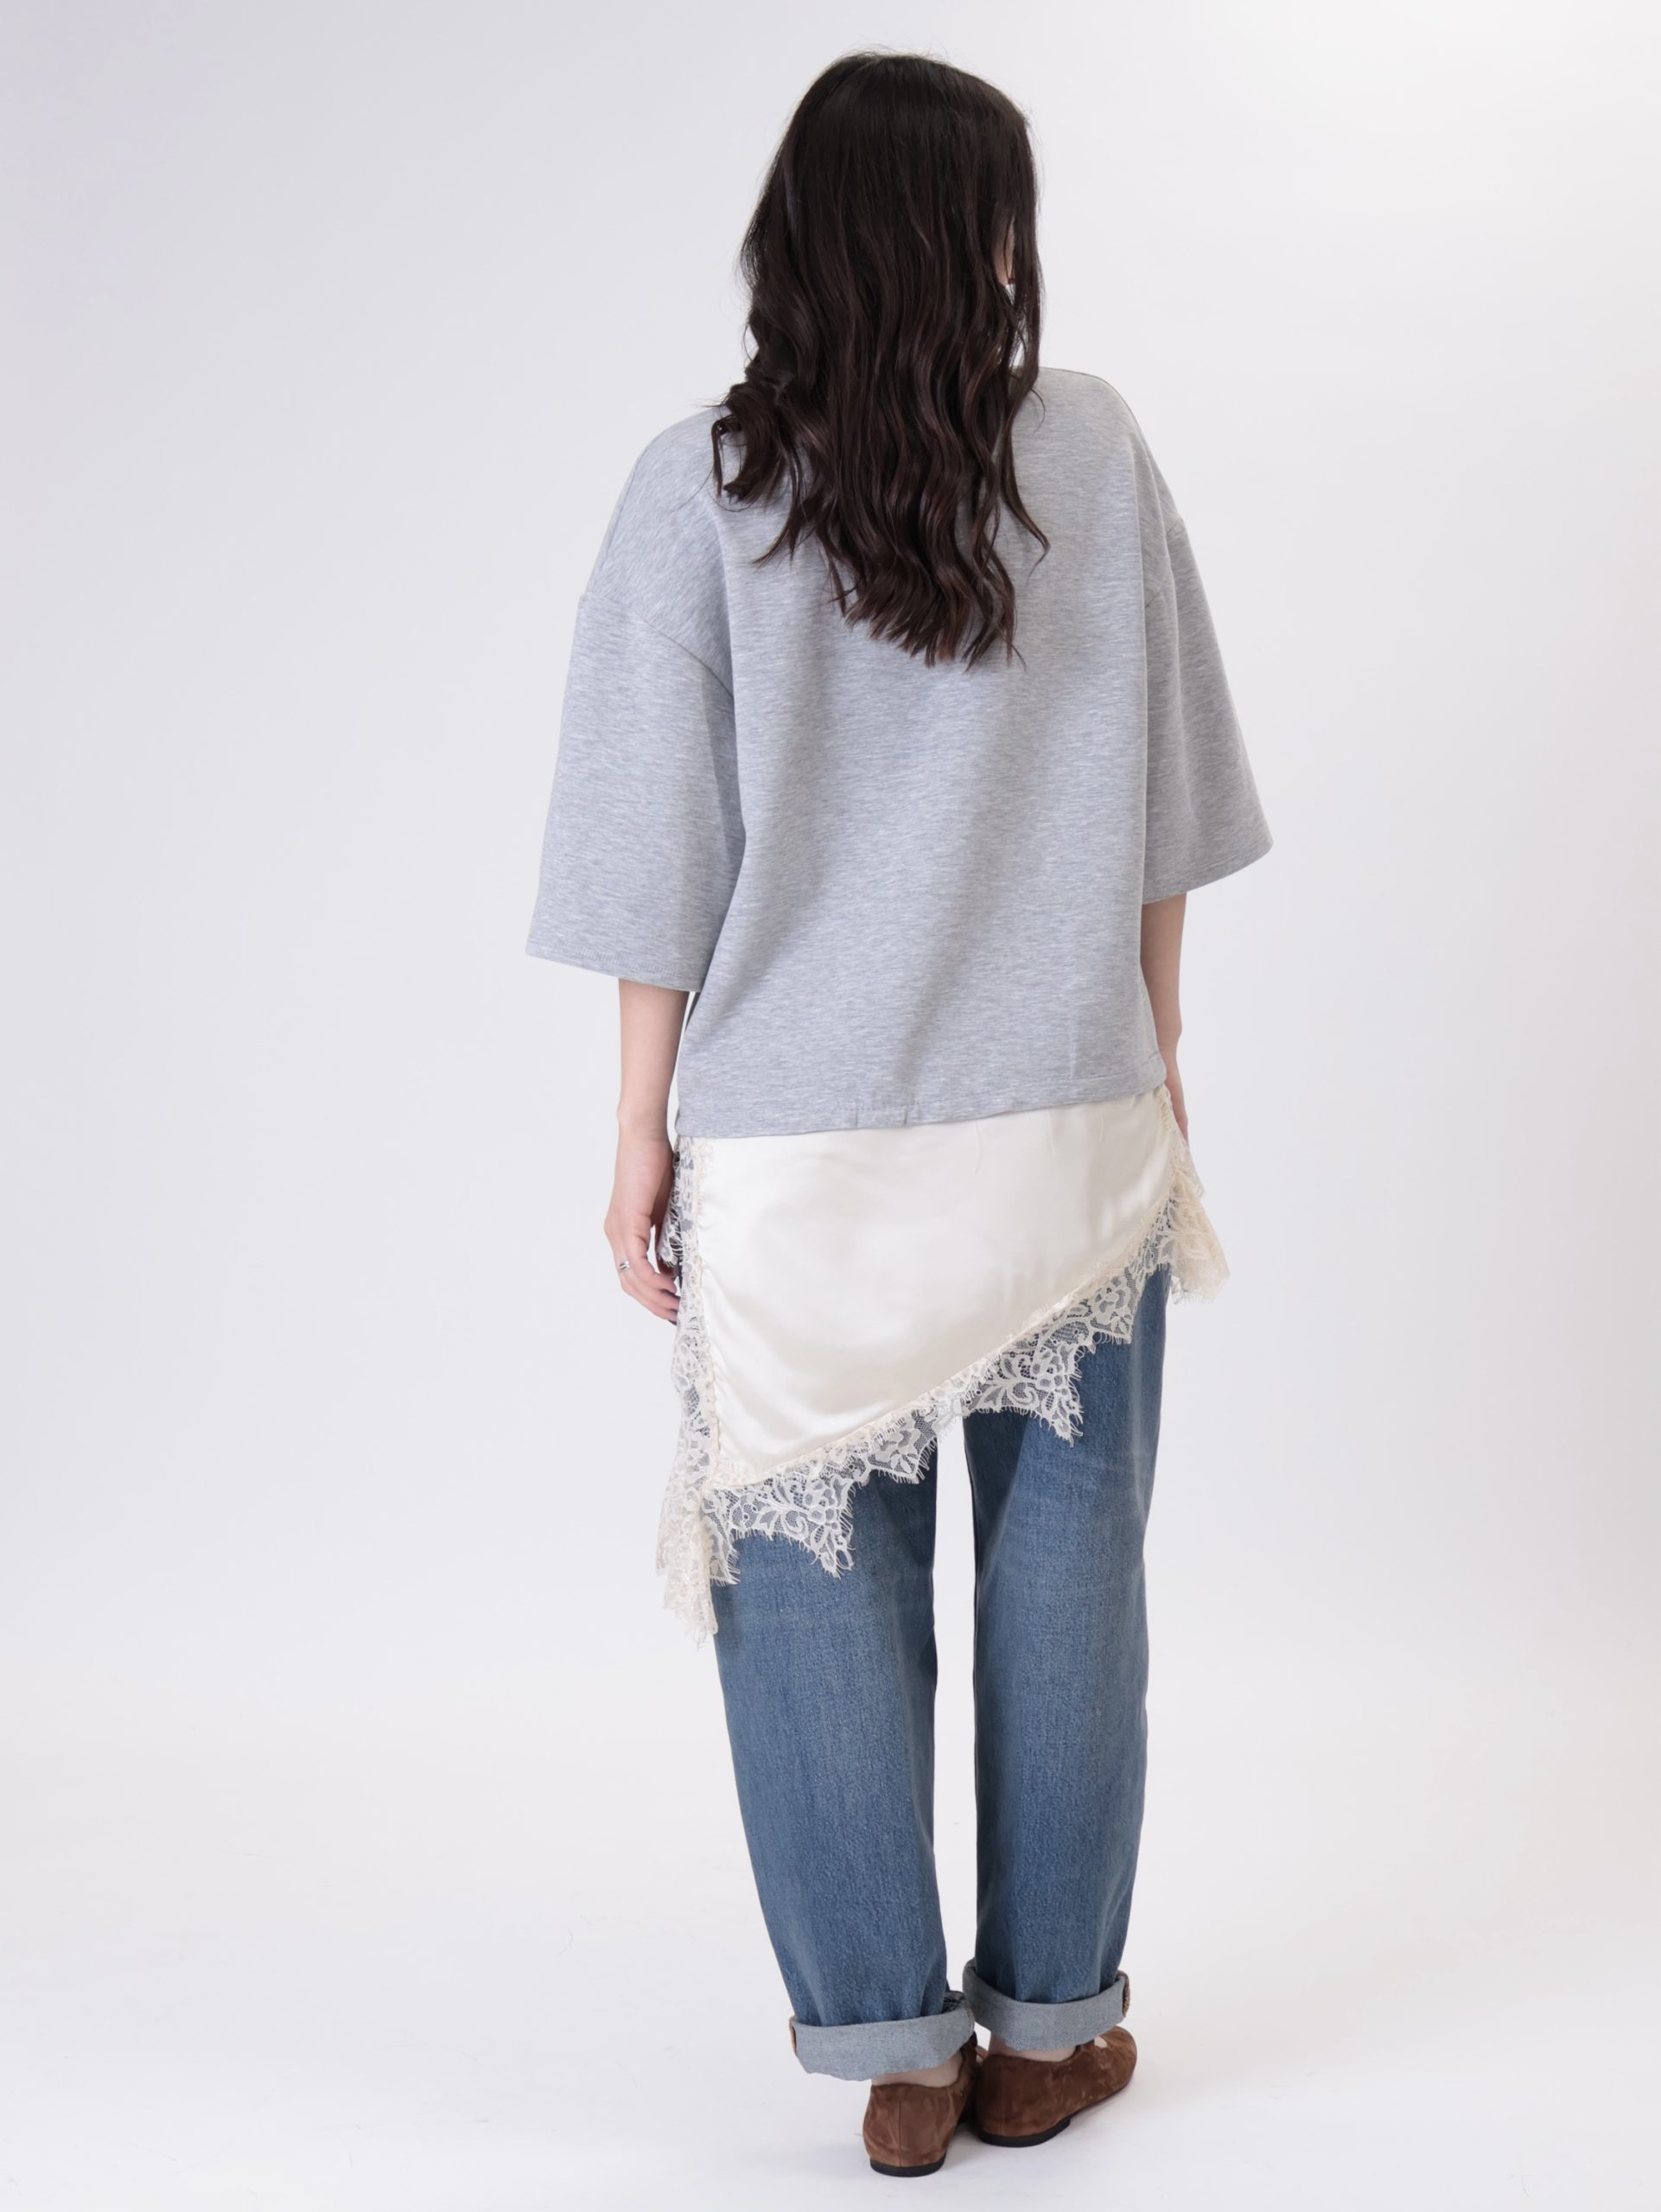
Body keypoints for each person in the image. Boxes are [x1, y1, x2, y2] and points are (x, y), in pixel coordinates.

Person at [526, 49, 1272, 2180]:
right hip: (1066, 1129)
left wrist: (640, 1127)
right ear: (987, 243)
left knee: (813, 1603)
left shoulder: (698, 487)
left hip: (796, 1154)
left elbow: (648, 849)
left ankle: (896, 2053)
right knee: (1071, 1584)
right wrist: (1154, 1042)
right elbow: (1168, 799)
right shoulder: (1092, 453)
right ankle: (1048, 2031)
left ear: (798, 242)